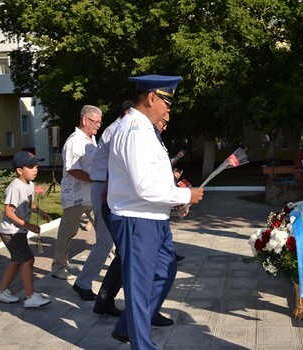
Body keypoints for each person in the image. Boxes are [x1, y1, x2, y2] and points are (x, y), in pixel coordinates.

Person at [108, 74, 204, 348]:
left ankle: (127, 326)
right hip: (137, 219)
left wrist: (175, 194)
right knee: (138, 288)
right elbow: (143, 187)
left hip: (153, 217)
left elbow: (153, 178)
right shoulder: (135, 131)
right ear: (152, 98)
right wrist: (185, 194)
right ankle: (141, 344)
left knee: (165, 270)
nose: (168, 110)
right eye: (167, 102)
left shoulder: (146, 129)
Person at [90, 99, 134, 315]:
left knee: (125, 251)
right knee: (123, 249)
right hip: (106, 191)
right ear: (128, 112)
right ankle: (103, 299)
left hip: (111, 190)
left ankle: (104, 300)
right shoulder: (117, 130)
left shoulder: (121, 128)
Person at [0, 151, 51, 308]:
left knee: (17, 260)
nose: (35, 170)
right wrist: (28, 226)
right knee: (27, 260)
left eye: (36, 166)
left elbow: (29, 204)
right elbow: (8, 212)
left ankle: (0, 291)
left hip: (18, 231)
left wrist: (40, 212)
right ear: (19, 170)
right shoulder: (15, 187)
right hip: (11, 232)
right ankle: (30, 296)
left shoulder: (29, 184)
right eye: (31, 167)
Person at [51, 105, 101, 283]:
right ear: (85, 120)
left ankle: (116, 259)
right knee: (68, 231)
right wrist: (95, 180)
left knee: (104, 229)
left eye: (100, 121)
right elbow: (73, 170)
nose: (99, 125)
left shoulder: (91, 139)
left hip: (92, 195)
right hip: (76, 196)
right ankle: (59, 266)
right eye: (95, 121)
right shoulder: (74, 141)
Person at [155, 112, 185, 263]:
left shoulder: (156, 138)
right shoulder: (143, 138)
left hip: (161, 206)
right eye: (163, 122)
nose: (165, 127)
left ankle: (169, 255)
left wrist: (173, 176)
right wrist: (184, 196)